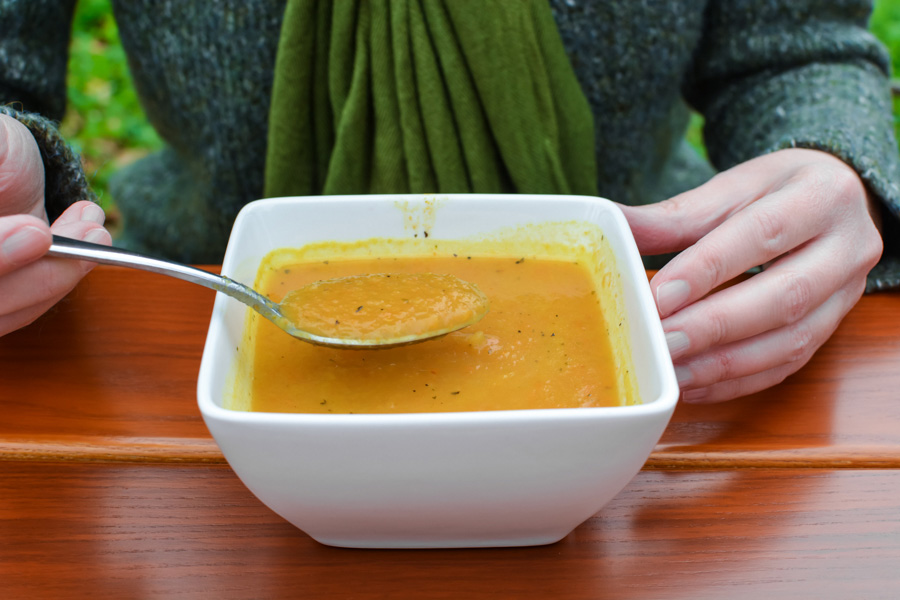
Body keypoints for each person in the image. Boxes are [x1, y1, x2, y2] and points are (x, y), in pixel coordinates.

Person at [1, 0, 898, 403]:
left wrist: (833, 164)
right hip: (179, 327)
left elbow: (795, 48)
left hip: (669, 318)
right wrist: (16, 163)